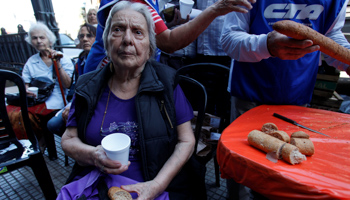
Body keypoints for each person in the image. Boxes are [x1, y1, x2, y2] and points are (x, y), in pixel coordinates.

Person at [58, 2, 205, 199]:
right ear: (107, 41)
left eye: (137, 32)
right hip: (97, 185)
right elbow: (68, 139)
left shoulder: (167, 83)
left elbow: (186, 141)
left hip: (155, 185)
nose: (127, 39)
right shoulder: (87, 85)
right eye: (118, 30)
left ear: (149, 47)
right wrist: (93, 155)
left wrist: (156, 186)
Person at [220, 0, 350, 199]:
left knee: (289, 166)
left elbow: (328, 36)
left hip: (297, 94)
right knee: (243, 170)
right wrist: (266, 45)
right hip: (249, 91)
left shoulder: (335, 1)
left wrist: (346, 60)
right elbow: (229, 39)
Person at [83, 0, 256, 73]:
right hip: (108, 73)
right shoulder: (137, 1)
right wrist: (215, 10)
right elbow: (169, 42)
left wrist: (171, 22)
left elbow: (152, 32)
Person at [15, 21, 73, 158]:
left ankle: (41, 141)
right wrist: (27, 90)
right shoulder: (31, 61)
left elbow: (68, 84)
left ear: (49, 39)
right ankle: (35, 141)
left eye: (42, 37)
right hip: (38, 99)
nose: (39, 41)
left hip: (57, 99)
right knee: (16, 114)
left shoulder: (62, 58)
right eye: (35, 38)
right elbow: (26, 83)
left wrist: (56, 62)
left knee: (30, 115)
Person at [47, 23, 96, 137]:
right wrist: (71, 105)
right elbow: (74, 87)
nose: (84, 39)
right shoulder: (80, 61)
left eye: (89, 35)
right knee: (53, 124)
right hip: (79, 100)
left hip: (92, 104)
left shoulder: (103, 59)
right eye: (81, 36)